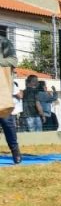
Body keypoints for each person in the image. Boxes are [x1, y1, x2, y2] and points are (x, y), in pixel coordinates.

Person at [0, 36, 20, 164]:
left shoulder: (3, 41)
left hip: (2, 92)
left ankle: (15, 150)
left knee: (7, 123)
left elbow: (13, 61)